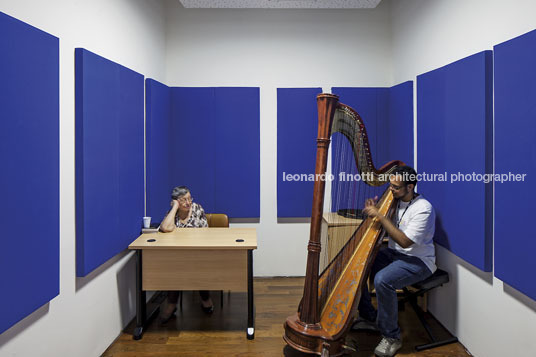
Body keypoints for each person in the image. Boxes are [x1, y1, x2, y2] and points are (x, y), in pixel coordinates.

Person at [354, 165, 436, 357]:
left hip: (418, 261)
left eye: (396, 187)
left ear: (411, 186)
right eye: (390, 186)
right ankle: (369, 316)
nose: (391, 190)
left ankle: (392, 337)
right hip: (394, 255)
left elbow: (405, 242)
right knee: (360, 265)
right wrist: (373, 210)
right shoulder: (395, 200)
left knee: (383, 280)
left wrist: (381, 216)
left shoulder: (423, 208)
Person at [159, 186, 214, 323]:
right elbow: (165, 228)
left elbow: (204, 233)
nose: (188, 202)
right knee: (174, 268)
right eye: (183, 200)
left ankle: (205, 298)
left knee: (197, 267)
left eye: (190, 198)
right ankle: (172, 304)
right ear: (176, 201)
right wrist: (174, 208)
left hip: (198, 252)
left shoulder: (197, 209)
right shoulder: (173, 213)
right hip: (179, 254)